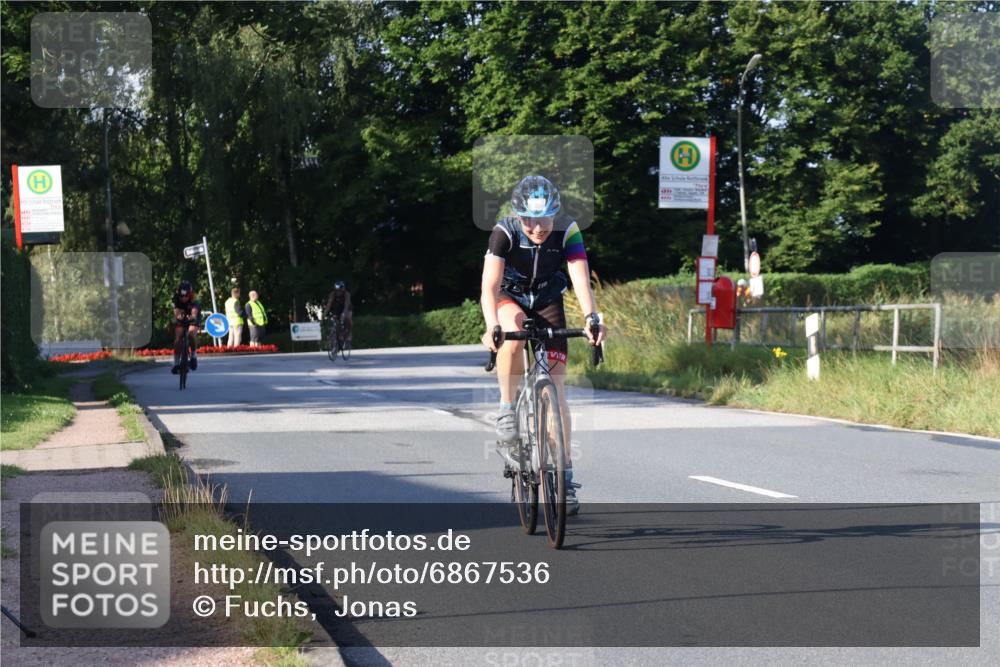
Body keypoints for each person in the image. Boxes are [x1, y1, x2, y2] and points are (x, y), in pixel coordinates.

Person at [480, 175, 607, 515]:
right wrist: (492, 324)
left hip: (549, 299)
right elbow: (489, 286)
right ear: (518, 215)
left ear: (556, 214)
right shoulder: (504, 232)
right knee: (512, 333)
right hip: (511, 298)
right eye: (530, 220)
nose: (537, 227)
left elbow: (580, 279)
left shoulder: (568, 231)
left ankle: (565, 476)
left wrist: (592, 317)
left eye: (545, 218)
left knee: (558, 389)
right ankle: (508, 410)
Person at [171, 280, 201, 374]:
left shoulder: (194, 300)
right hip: (181, 319)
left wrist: (192, 317)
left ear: (190, 294)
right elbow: (176, 311)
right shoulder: (176, 299)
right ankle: (176, 363)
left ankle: (193, 355)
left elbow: (194, 312)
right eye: (181, 296)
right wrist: (178, 316)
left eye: (186, 296)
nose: (183, 298)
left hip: (192, 318)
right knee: (178, 338)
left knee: (191, 334)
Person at [323, 281, 353, 346]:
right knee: (335, 321)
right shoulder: (332, 294)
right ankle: (336, 339)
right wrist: (324, 315)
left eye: (340, 291)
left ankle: (348, 334)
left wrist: (344, 314)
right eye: (336, 291)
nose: (338, 292)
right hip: (337, 308)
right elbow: (329, 305)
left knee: (348, 318)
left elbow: (346, 305)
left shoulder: (347, 294)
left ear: (343, 289)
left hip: (346, 308)